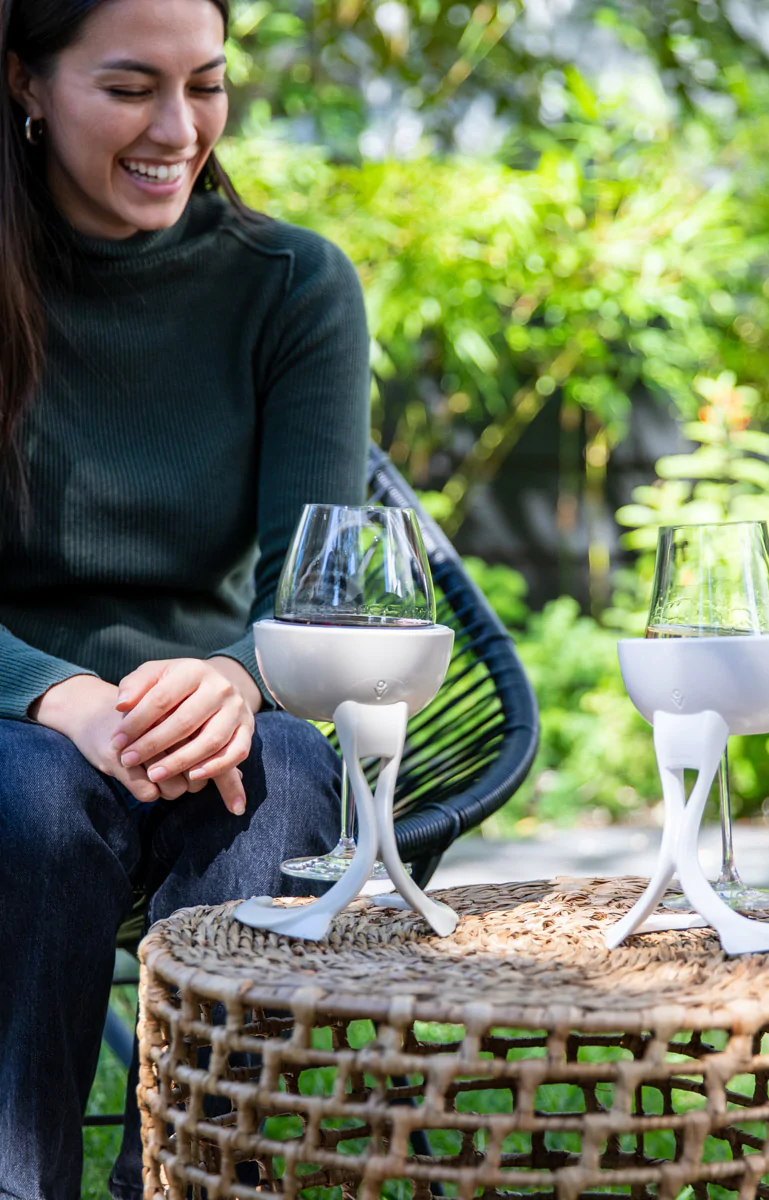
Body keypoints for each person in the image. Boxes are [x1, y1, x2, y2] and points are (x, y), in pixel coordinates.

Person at [0, 0, 370, 1195]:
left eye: (205, 84)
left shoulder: (290, 285)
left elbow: (319, 596)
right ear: (26, 82)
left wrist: (234, 678)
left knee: (282, 777)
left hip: (209, 718)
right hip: (16, 729)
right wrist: (58, 699)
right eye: (127, 87)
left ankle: (211, 1174)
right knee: (38, 802)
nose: (179, 127)